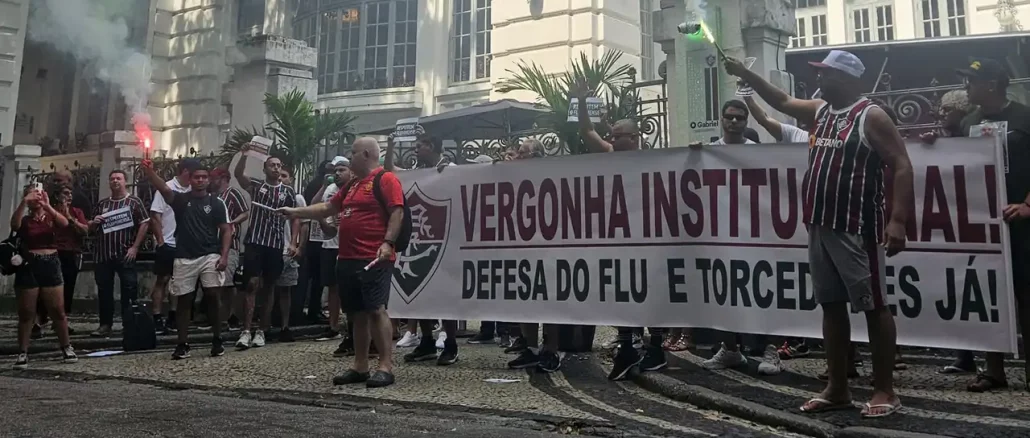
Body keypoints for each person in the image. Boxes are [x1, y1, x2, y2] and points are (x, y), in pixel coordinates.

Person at [725, 50, 914, 418]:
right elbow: (780, 100)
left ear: (844, 79)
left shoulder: (870, 116)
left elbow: (902, 165)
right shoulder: (821, 111)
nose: (819, 80)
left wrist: (899, 220)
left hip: (857, 226)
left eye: (825, 74)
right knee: (831, 305)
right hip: (820, 224)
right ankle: (838, 388)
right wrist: (746, 75)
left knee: (874, 306)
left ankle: (884, 390)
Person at [925, 58, 1030, 391]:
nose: (966, 88)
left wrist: (1028, 203)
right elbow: (956, 160)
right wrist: (933, 145)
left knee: (1027, 297)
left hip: (1021, 223)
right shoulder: (970, 120)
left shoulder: (1025, 118)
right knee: (989, 296)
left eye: (971, 81)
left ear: (990, 86)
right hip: (984, 225)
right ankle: (993, 370)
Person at [280, 137, 402, 388]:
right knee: (355, 313)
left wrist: (388, 242)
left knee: (376, 309)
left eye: (353, 152)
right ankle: (360, 365)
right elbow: (328, 207)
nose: (349, 156)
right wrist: (295, 212)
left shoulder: (385, 179)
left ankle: (385, 365)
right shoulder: (354, 184)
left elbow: (397, 211)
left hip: (373, 257)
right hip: (346, 257)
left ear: (366, 154)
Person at [572, 81, 667, 380]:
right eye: (611, 135)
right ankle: (627, 346)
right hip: (619, 237)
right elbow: (587, 132)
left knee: (651, 294)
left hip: (649, 238)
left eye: (618, 136)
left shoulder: (657, 161)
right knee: (622, 292)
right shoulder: (612, 153)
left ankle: (656, 347)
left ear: (636, 138)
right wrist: (581, 102)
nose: (611, 140)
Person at [141, 159, 232, 359]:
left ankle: (217, 339)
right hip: (184, 256)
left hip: (210, 254)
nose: (200, 180)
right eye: (196, 177)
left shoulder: (216, 203)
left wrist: (224, 256)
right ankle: (182, 343)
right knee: (184, 300)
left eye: (204, 177)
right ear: (190, 179)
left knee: (213, 296)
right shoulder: (181, 200)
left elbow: (226, 230)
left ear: (208, 180)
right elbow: (164, 189)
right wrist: (150, 172)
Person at [384, 133, 461, 366]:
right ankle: (426, 342)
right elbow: (390, 169)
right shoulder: (416, 170)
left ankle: (451, 344)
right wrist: (389, 145)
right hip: (420, 237)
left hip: (445, 239)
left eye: (420, 146)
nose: (416, 150)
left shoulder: (452, 168)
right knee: (421, 295)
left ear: (432, 146)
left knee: (445, 297)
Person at [233, 148, 299, 349]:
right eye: (272, 165)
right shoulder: (257, 185)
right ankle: (246, 330)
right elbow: (238, 175)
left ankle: (261, 330)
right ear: (265, 168)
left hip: (275, 244)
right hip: (255, 241)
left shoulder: (287, 191)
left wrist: (294, 242)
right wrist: (244, 155)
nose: (276, 168)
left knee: (270, 287)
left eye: (279, 165)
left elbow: (295, 217)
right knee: (252, 284)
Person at [11, 185, 75, 369]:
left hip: (51, 262)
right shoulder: (24, 218)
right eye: (32, 195)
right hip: (29, 263)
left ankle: (66, 346)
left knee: (57, 309)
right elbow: (14, 226)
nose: (36, 198)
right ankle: (22, 352)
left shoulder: (51, 215)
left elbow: (64, 224)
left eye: (38, 194)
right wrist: (24, 202)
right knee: (26, 312)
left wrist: (47, 206)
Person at [90, 170, 150, 337]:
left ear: (125, 181)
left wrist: (135, 247)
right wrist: (93, 222)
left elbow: (145, 223)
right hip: (103, 254)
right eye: (112, 178)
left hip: (125, 253)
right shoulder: (102, 204)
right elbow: (90, 227)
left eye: (119, 178)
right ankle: (105, 325)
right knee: (104, 291)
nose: (115, 181)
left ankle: (129, 323)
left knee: (129, 290)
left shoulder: (134, 202)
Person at [149, 159, 200, 333]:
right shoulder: (168, 187)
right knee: (162, 280)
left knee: (179, 281)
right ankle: (156, 315)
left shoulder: (193, 190)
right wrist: (161, 241)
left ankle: (173, 315)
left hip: (185, 243)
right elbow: (155, 216)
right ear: (186, 171)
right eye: (194, 174)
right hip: (168, 241)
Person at [313, 157, 351, 348]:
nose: (337, 173)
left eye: (342, 170)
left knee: (349, 290)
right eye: (335, 171)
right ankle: (333, 326)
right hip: (331, 245)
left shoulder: (355, 190)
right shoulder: (330, 190)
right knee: (333, 288)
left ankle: (351, 328)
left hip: (350, 247)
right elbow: (319, 210)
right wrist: (322, 219)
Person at [40, 186, 87, 335]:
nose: (69, 196)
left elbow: (85, 231)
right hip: (52, 252)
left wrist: (70, 218)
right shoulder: (50, 211)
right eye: (66, 193)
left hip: (70, 253)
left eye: (71, 193)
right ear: (58, 196)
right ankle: (41, 319)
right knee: (46, 288)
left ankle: (62, 321)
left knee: (67, 288)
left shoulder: (76, 212)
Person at [208, 168, 249, 330]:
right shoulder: (213, 197)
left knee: (228, 283)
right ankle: (220, 317)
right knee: (217, 282)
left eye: (213, 177)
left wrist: (232, 222)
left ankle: (230, 316)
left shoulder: (232, 193)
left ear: (223, 178)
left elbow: (245, 212)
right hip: (214, 244)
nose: (211, 180)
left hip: (230, 244)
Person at [273, 167, 307, 342]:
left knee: (286, 289)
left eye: (284, 175)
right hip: (271, 247)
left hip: (288, 247)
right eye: (279, 175)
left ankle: (285, 326)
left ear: (291, 179)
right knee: (269, 288)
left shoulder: (297, 197)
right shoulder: (269, 194)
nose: (281, 178)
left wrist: (299, 246)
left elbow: (302, 223)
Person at [301, 160, 335, 325]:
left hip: (327, 236)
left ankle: (316, 308)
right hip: (315, 237)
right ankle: (313, 309)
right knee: (316, 276)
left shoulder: (337, 186)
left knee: (321, 278)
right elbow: (312, 205)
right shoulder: (316, 184)